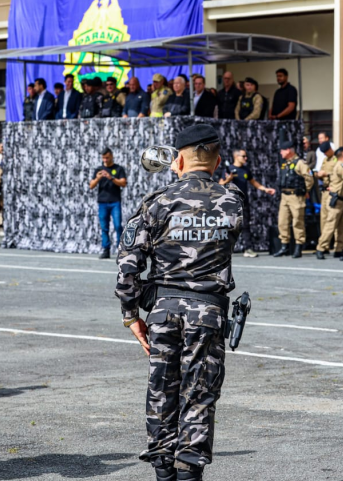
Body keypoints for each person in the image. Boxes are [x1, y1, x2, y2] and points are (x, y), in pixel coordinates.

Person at [115, 124, 242, 481]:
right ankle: (189, 471)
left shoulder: (157, 202)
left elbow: (128, 265)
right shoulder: (232, 200)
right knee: (199, 394)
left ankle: (163, 469)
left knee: (162, 390)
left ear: (179, 159)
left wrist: (130, 315)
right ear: (217, 161)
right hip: (208, 312)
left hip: (163, 311)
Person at [219, 149, 275, 258]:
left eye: (246, 156)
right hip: (230, 203)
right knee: (228, 226)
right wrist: (228, 179)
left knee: (245, 225)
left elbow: (253, 182)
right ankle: (223, 250)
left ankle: (248, 249)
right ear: (236, 156)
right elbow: (220, 184)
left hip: (243, 202)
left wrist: (265, 189)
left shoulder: (245, 170)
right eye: (244, 156)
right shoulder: (229, 169)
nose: (246, 158)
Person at [272, 140, 314, 258]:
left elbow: (309, 178)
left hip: (296, 196)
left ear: (289, 150)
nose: (281, 153)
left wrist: (305, 191)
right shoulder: (286, 163)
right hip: (285, 196)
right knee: (282, 221)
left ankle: (298, 246)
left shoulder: (300, 163)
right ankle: (284, 246)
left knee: (297, 222)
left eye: (282, 150)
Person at [89, 148, 127, 259]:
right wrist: (98, 178)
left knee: (117, 226)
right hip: (102, 203)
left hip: (115, 202)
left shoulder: (118, 169)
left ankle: (121, 250)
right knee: (104, 227)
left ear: (111, 156)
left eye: (107, 157)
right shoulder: (98, 170)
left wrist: (111, 178)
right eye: (103, 158)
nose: (105, 160)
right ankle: (106, 250)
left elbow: (123, 183)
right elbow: (91, 186)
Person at [315, 146, 343, 259]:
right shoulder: (341, 167)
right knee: (330, 224)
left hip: (341, 198)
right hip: (337, 199)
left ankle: (340, 248)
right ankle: (321, 247)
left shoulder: (338, 165)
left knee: (341, 226)